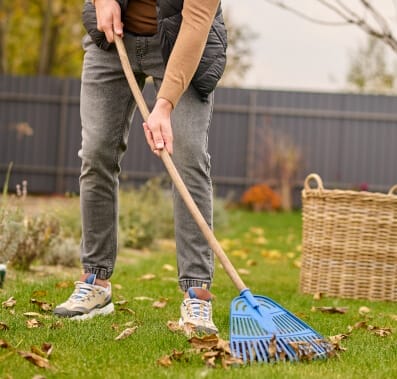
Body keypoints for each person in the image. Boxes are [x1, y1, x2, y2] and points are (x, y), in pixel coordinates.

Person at [54, 0, 227, 335]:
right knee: (96, 152)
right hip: (114, 38)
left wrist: (164, 105)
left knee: (188, 155)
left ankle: (197, 293)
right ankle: (96, 281)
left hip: (180, 44)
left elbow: (195, 23)